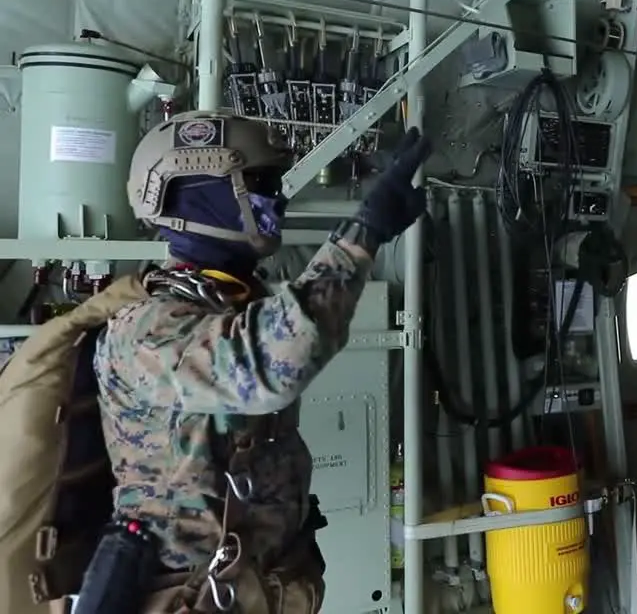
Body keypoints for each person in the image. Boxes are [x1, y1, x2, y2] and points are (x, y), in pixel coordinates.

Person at [93, 111, 433, 611]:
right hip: (193, 595)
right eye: (256, 182)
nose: (275, 198)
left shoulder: (232, 303)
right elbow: (277, 361)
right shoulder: (146, 329)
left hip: (262, 584)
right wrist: (363, 234)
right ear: (192, 192)